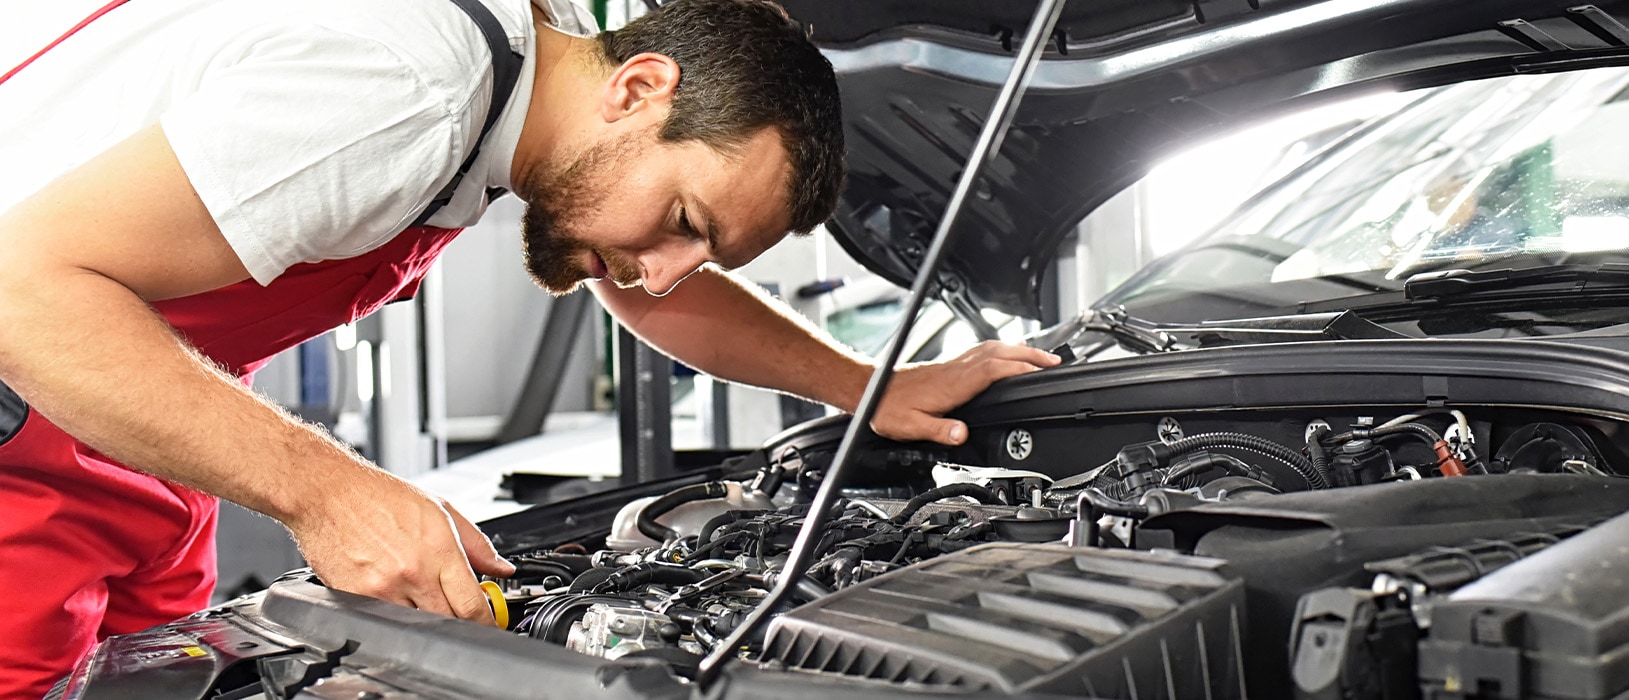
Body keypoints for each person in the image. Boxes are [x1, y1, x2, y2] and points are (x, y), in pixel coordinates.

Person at [0, 0, 1059, 693]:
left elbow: (646, 291)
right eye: (686, 220)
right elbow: (23, 288)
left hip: (128, 421)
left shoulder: (527, 96)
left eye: (704, 253)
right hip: (36, 397)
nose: (662, 270)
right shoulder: (408, 88)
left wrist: (868, 386)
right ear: (639, 87)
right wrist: (331, 493)